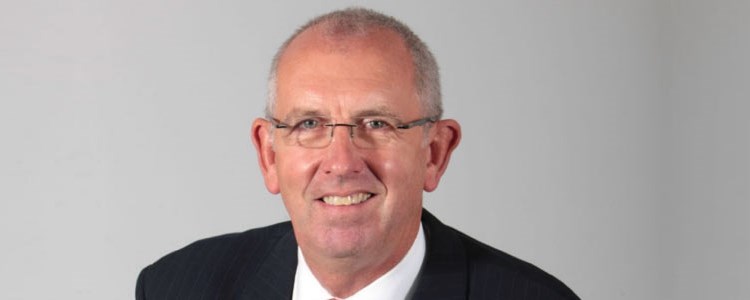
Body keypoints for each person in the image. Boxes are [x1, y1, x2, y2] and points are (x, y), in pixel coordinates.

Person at [136, 7, 579, 300]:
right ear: (268, 154)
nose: (342, 163)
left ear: (435, 153)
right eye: (309, 124)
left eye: (377, 124)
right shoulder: (177, 287)